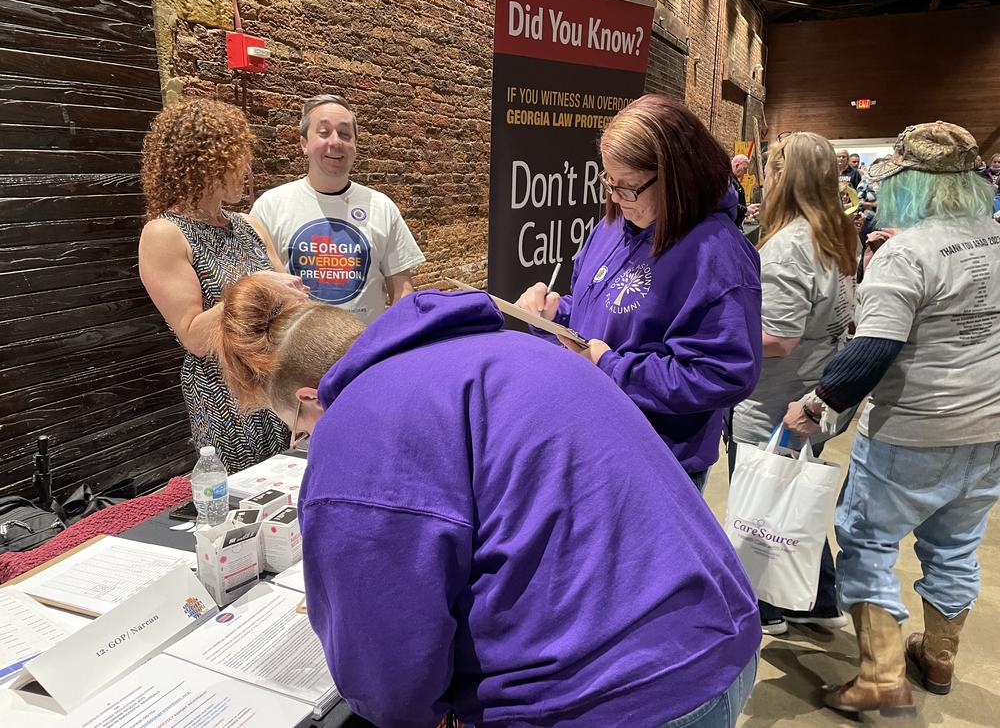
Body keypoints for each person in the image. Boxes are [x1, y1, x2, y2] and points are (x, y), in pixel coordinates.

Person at [214, 275, 762, 728]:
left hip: (611, 700)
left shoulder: (359, 417)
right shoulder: (517, 349)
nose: (308, 443)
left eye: (300, 431)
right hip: (722, 639)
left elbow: (386, 661)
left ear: (311, 398)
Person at [783, 122, 1000, 716]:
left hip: (913, 429)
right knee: (956, 546)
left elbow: (873, 350)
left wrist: (816, 404)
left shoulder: (908, 253)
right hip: (990, 430)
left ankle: (880, 673)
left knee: (867, 539)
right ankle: (939, 655)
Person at [515, 95, 763, 493]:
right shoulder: (615, 226)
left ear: (678, 176)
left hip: (657, 461)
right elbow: (603, 308)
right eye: (609, 183)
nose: (614, 198)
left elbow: (723, 373)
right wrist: (557, 313)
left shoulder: (718, 255)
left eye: (627, 187)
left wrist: (614, 368)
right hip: (596, 435)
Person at [731, 132, 859, 636]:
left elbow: (777, 337)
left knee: (760, 506)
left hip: (774, 399)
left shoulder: (786, 247)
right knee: (791, 498)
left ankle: (768, 607)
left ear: (783, 176)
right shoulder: (835, 232)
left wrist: (715, 334)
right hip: (814, 391)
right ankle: (819, 599)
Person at [138, 98, 302, 472]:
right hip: (225, 394)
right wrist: (255, 285)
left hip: (276, 379)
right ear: (202, 163)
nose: (246, 169)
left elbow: (289, 301)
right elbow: (194, 336)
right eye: (235, 158)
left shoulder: (249, 225)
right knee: (247, 499)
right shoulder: (165, 234)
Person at [251, 93, 425, 324]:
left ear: (354, 145)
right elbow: (253, 288)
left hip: (364, 350)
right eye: (323, 133)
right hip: (292, 352)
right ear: (304, 143)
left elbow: (401, 289)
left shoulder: (381, 206)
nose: (335, 142)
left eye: (345, 134)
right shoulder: (270, 206)